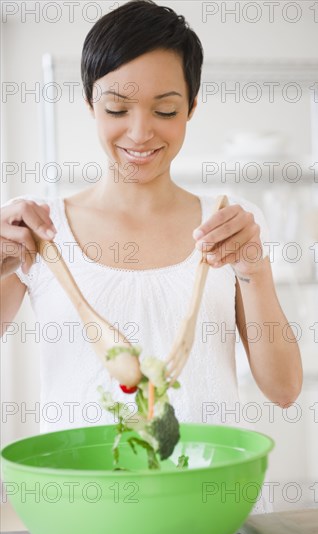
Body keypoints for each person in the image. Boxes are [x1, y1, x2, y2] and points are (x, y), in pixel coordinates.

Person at [1, 0, 302, 441]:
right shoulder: (37, 228)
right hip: (84, 499)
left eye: (164, 111)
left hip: (209, 492)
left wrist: (254, 268)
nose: (141, 133)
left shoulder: (229, 224)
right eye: (118, 110)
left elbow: (284, 390)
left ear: (191, 107)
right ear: (90, 103)